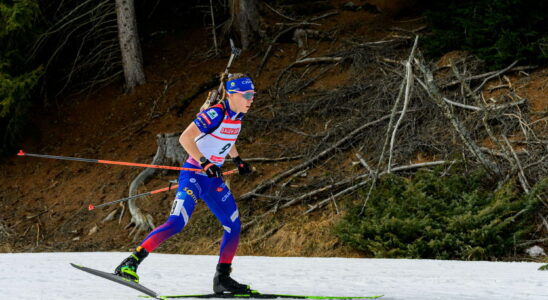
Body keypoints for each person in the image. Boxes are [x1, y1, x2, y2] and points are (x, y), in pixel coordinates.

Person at [114, 74, 256, 294]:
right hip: (193, 175)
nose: (251, 98)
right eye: (247, 94)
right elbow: (185, 138)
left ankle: (222, 278)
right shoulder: (215, 113)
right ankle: (130, 262)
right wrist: (205, 162)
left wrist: (238, 160)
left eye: (253, 94)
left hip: (212, 181)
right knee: (177, 222)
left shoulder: (237, 116)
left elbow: (228, 139)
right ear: (232, 94)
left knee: (233, 226)